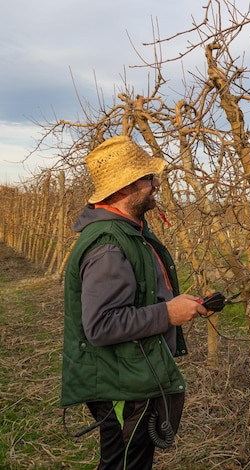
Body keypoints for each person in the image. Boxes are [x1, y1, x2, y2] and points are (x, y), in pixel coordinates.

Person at [60, 135, 207, 469]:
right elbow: (100, 325)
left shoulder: (130, 230)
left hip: (131, 372)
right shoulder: (109, 245)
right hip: (121, 384)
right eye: (148, 178)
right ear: (126, 187)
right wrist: (168, 313)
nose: (156, 183)